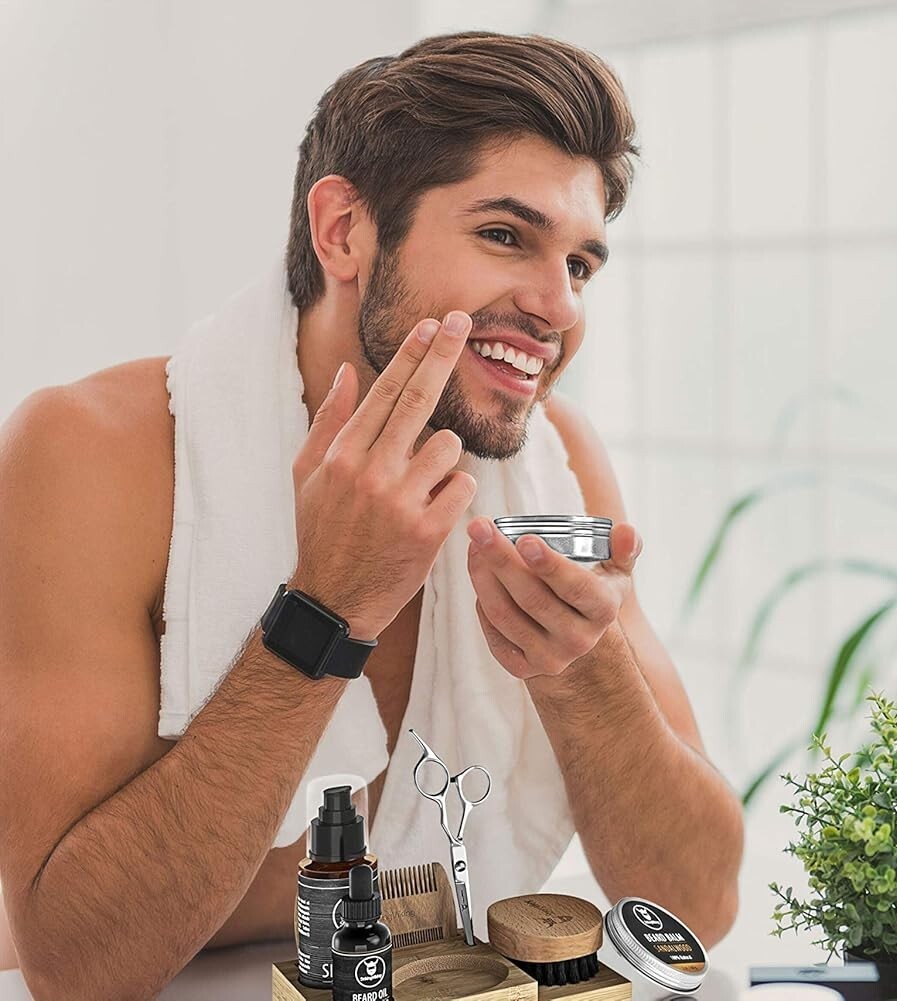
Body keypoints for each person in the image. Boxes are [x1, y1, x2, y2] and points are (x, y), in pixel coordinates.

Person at [0, 32, 743, 1001]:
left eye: (583, 265)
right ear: (344, 229)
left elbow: (697, 910)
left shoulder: (558, 466)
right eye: (506, 236)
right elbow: (74, 964)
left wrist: (583, 671)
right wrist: (323, 611)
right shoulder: (92, 455)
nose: (557, 307)